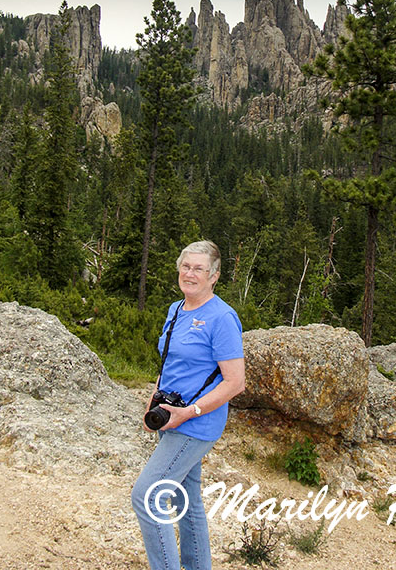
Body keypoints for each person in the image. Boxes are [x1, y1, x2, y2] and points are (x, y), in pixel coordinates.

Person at [131, 240, 245, 570]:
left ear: (214, 276)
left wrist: (189, 412)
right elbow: (169, 363)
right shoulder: (176, 309)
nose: (190, 274)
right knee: (186, 498)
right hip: (170, 416)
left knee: (148, 495)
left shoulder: (222, 318)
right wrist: (155, 401)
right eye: (185, 267)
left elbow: (235, 382)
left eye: (199, 269)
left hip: (196, 423)